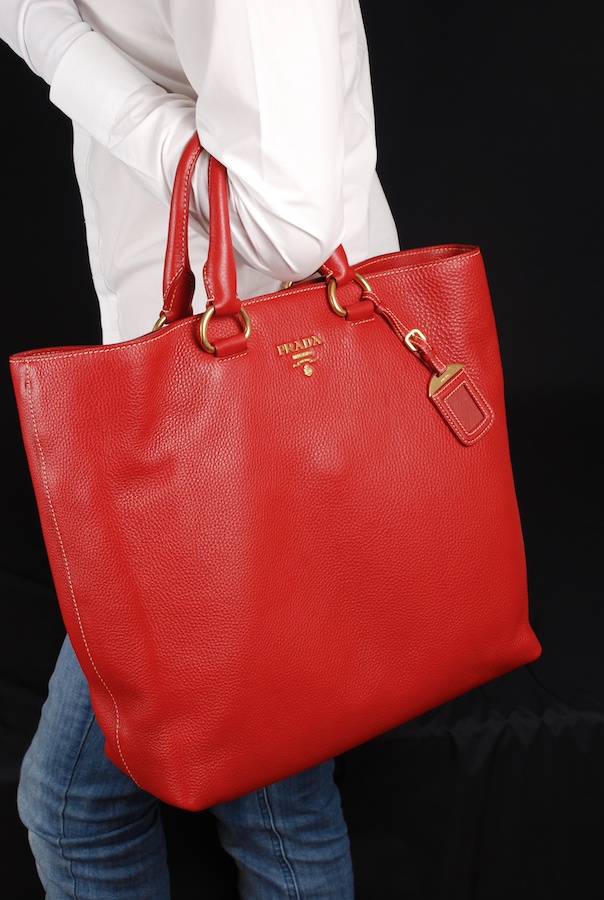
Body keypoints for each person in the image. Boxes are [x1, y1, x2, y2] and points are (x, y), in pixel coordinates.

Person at [1, 2, 399, 897]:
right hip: (234, 406)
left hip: (247, 429)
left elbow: (288, 227)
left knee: (87, 808)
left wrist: (53, 40)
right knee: (265, 806)